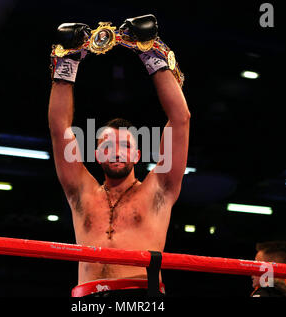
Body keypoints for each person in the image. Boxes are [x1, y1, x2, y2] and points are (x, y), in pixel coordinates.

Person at [48, 15, 190, 297]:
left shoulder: (159, 189)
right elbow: (59, 127)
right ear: (97, 153)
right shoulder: (80, 191)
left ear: (137, 154)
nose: (116, 151)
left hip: (140, 297)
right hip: (87, 297)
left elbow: (180, 119)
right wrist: (67, 64)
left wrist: (150, 53)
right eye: (107, 145)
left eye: (125, 146)